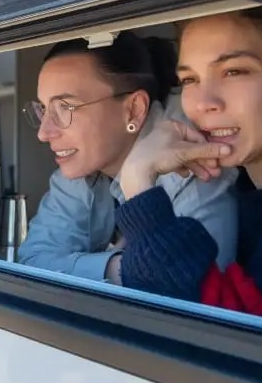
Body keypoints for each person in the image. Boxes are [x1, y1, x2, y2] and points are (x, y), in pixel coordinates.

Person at [110, 7, 262, 330]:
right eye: (190, 79)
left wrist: (138, 180)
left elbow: (214, 335)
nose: (203, 103)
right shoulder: (249, 180)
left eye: (234, 72)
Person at [16, 31, 239, 283]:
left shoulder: (192, 171)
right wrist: (123, 267)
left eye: (66, 107)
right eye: (44, 109)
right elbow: (32, 263)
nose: (44, 133)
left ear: (134, 109)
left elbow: (194, 297)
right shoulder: (83, 163)